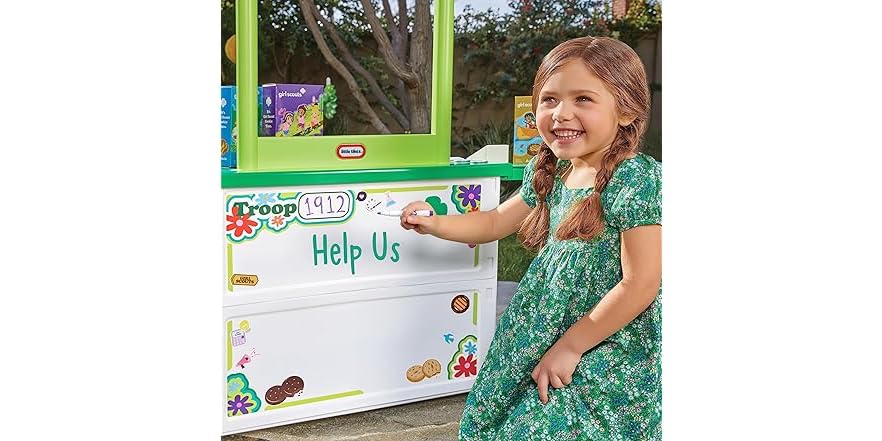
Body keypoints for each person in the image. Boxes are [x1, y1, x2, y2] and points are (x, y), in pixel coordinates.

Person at [398, 36, 662, 440]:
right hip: (542, 325)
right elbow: (492, 223)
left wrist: (572, 346)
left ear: (626, 110)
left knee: (555, 423)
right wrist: (435, 222)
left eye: (583, 100)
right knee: (504, 418)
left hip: (608, 336)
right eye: (549, 99)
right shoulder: (554, 171)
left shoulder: (635, 178)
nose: (561, 114)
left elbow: (641, 282)